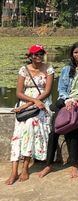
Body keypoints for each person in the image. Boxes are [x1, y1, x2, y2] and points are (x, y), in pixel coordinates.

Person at [6, 44, 54, 185]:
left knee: (29, 127)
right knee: (17, 134)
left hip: (42, 104)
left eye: (40, 54)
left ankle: (25, 167)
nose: (38, 57)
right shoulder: (24, 70)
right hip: (26, 102)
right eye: (35, 54)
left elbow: (47, 91)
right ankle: (14, 170)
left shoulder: (49, 69)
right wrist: (30, 102)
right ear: (30, 56)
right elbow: (19, 92)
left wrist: (33, 103)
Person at [39, 42, 78, 179]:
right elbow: (62, 89)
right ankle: (48, 164)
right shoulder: (67, 69)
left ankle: (74, 165)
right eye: (75, 52)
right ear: (72, 54)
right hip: (65, 100)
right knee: (54, 130)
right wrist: (67, 100)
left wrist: (77, 100)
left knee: (73, 129)